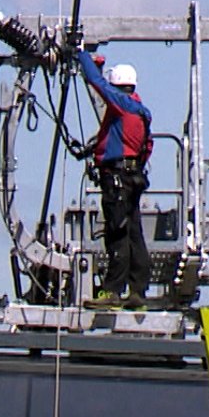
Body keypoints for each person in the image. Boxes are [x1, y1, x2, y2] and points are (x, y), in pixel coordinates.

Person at [75, 49, 153, 309]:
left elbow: (97, 85)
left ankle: (112, 291)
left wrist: (81, 55)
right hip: (133, 177)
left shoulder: (121, 105)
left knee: (117, 232)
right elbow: (146, 147)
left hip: (117, 178)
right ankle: (138, 290)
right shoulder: (140, 111)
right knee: (133, 232)